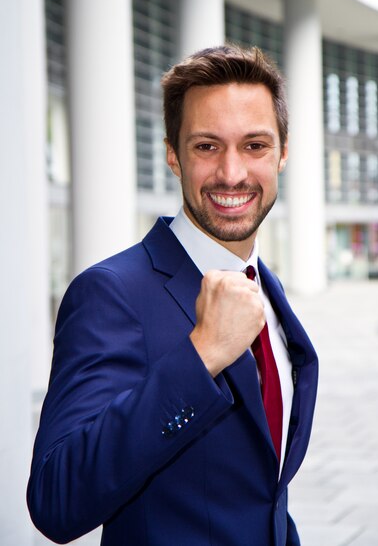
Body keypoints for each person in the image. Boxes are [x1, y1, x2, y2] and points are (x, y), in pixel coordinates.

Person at [27, 45, 318, 546]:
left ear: (283, 152)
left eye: (255, 146)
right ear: (172, 155)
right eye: (207, 146)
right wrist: (200, 354)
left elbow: (262, 495)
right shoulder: (112, 293)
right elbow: (57, 499)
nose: (232, 173)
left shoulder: (264, 287)